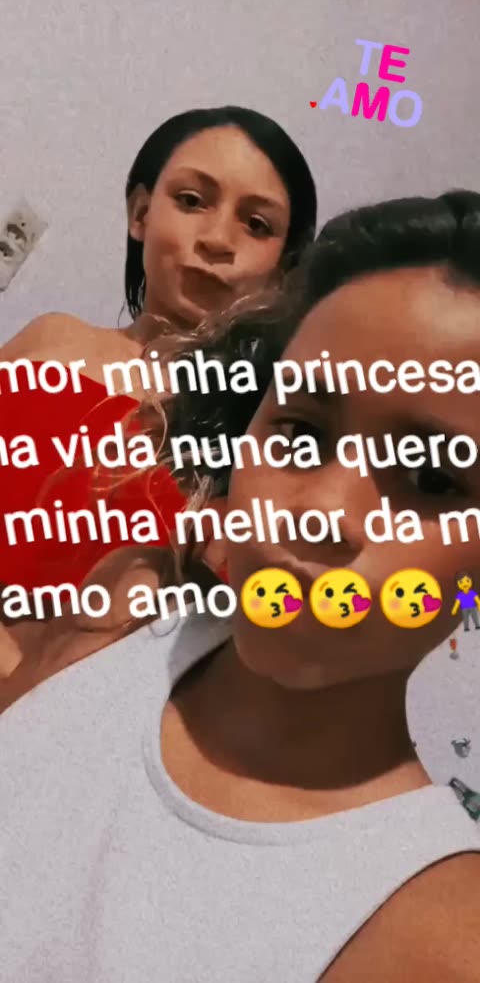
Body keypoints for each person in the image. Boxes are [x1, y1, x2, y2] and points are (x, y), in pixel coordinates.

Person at [2, 190, 480, 981]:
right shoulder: (126, 607)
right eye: (300, 431)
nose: (323, 510)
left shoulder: (436, 932)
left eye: (432, 479)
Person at [0, 105, 317, 687]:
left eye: (257, 225)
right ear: (141, 213)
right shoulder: (51, 342)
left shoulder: (254, 449)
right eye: (192, 200)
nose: (217, 240)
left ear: (283, 273)